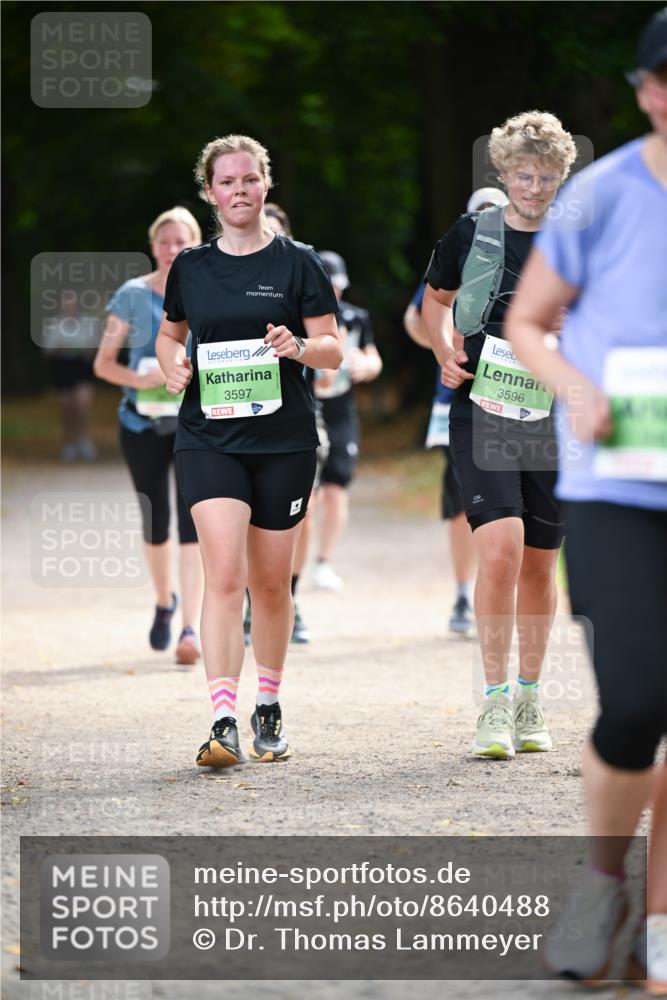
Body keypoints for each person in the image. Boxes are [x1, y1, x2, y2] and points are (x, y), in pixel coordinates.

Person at [506, 9, 667, 990]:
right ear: (646, 89)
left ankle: (659, 922)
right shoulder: (595, 197)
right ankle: (603, 880)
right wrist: (577, 390)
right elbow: (529, 322)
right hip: (615, 479)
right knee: (636, 700)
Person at [156, 134, 341, 767]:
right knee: (225, 573)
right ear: (210, 193)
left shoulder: (299, 263)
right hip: (208, 436)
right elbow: (168, 336)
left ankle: (269, 705)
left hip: (284, 440)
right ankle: (223, 718)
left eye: (249, 179)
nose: (239, 190)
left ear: (266, 184)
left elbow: (333, 348)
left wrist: (298, 348)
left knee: (270, 583)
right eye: (227, 182)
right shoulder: (191, 267)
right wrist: (171, 368)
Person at [422, 111, 577, 759]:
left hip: (549, 414)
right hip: (481, 407)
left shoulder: (573, 241)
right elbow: (434, 300)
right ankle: (491, 704)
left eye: (545, 177)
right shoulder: (473, 232)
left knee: (540, 565)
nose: (533, 187)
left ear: (560, 177)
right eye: (522, 174)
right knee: (500, 551)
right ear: (503, 172)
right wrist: (441, 351)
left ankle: (529, 695)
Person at [93, 207, 204, 665]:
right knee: (156, 519)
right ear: (153, 246)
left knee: (194, 521)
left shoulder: (207, 289)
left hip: (195, 424)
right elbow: (103, 363)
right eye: (165, 241)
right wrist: (142, 380)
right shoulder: (132, 295)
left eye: (181, 241)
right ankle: (164, 602)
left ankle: (191, 629)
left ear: (195, 243)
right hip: (141, 424)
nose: (172, 249)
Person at [404, 190, 507, 635]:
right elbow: (417, 316)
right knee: (461, 498)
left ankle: (500, 591)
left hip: (519, 395)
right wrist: (446, 349)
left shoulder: (528, 255)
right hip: (459, 394)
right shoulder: (455, 255)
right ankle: (465, 593)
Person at [312, 251, 383, 591]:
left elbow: (373, 357)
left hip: (341, 411)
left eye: (338, 287)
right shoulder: (301, 318)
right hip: (308, 409)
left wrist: (368, 367)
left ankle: (323, 562)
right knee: (308, 495)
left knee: (337, 488)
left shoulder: (356, 319)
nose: (334, 294)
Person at [43, 291, 97, 462]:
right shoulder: (54, 325)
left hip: (82, 367)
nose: (70, 306)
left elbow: (95, 347)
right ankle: (70, 442)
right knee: (67, 407)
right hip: (63, 368)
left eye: (72, 302)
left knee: (82, 404)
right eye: (67, 302)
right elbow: (47, 350)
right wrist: (61, 348)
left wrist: (85, 350)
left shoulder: (88, 323)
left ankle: (83, 439)